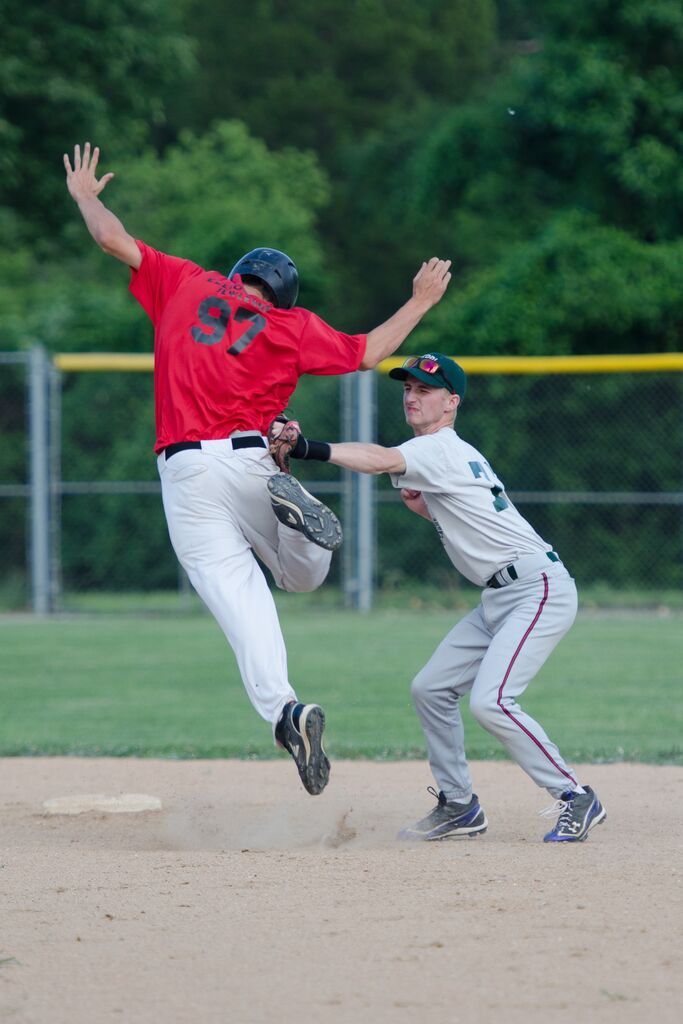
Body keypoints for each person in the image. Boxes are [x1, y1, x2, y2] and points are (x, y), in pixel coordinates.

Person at [63, 142, 452, 797]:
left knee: (241, 604)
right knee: (304, 576)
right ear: (281, 294)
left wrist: (84, 193)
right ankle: (295, 520)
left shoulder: (184, 281)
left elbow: (111, 238)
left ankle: (286, 712)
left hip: (183, 473)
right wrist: (418, 301)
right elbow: (368, 353)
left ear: (236, 274)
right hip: (251, 461)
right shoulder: (288, 324)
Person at [279, 352, 607, 841]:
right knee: (430, 688)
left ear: (451, 403)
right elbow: (476, 523)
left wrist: (307, 447)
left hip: (537, 591)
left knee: (492, 701)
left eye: (425, 389)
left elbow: (380, 458)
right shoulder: (451, 453)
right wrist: (428, 511)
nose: (412, 396)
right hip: (501, 597)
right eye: (408, 388)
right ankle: (459, 805)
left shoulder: (438, 448)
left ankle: (575, 797)